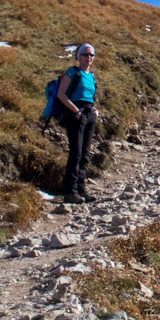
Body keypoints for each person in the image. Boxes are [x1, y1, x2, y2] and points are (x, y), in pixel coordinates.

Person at [57, 43, 99, 204]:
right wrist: (75, 111)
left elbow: (89, 97)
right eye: (85, 54)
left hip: (88, 114)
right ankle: (70, 191)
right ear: (78, 56)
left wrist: (94, 110)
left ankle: (81, 189)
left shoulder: (91, 76)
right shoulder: (72, 72)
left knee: (85, 153)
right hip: (76, 114)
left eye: (91, 55)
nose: (89, 57)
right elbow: (61, 94)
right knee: (76, 152)